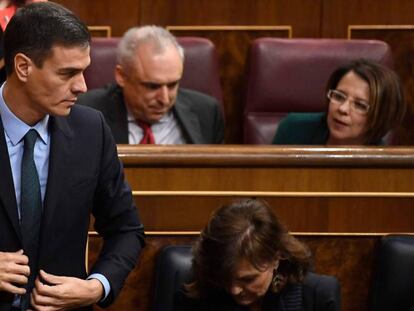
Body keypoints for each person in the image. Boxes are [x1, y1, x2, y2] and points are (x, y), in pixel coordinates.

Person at [0, 2, 145, 310]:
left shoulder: (91, 130)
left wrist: (97, 287)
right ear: (23, 67)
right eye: (67, 73)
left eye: (83, 71)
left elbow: (126, 229)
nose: (82, 86)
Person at [175, 199, 340, 311]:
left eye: (247, 279)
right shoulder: (200, 294)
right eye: (224, 277)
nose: (234, 290)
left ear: (276, 258)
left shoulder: (319, 296)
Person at [77, 25, 225, 144]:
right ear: (121, 76)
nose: (165, 99)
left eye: (172, 85)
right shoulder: (85, 113)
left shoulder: (206, 112)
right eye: (152, 87)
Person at [272, 59, 406, 145]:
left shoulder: (385, 164)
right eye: (339, 96)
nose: (343, 109)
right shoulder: (293, 130)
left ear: (380, 116)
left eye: (360, 105)